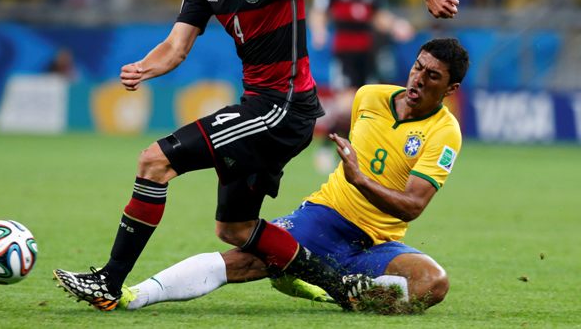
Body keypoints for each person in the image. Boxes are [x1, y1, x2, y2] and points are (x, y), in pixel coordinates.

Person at [53, 0, 460, 312]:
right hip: (262, 106)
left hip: (284, 107)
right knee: (236, 228)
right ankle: (340, 286)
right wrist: (144, 66)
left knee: (155, 161)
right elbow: (176, 47)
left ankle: (109, 282)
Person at [119, 38, 469, 314]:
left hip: (377, 243)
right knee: (245, 260)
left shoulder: (445, 132)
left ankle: (338, 291)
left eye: (432, 76)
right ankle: (136, 295)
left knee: (433, 283)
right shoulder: (370, 96)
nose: (418, 79)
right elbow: (328, 127)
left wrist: (360, 178)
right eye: (417, 68)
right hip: (326, 217)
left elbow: (412, 207)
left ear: (451, 89)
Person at [308, 0, 415, 173]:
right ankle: (326, 147)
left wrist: (397, 26)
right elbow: (318, 13)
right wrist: (319, 31)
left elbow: (380, 17)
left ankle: (358, 153)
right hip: (344, 53)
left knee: (366, 105)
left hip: (369, 53)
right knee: (346, 104)